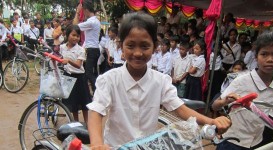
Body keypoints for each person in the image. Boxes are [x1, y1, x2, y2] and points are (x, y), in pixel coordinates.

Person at [86, 12, 231, 149]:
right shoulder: (109, 80)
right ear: (121, 46)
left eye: (144, 46)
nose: (137, 53)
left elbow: (180, 109)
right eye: (130, 45)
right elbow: (96, 111)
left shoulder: (160, 81)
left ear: (155, 47)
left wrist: (211, 121)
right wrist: (97, 144)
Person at [212, 30, 273, 150]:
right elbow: (215, 106)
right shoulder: (241, 81)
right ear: (256, 56)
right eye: (264, 54)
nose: (270, 59)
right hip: (232, 140)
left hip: (256, 141)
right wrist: (224, 101)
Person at [60, 25, 92, 123]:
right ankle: (76, 123)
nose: (75, 38)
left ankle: (87, 123)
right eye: (73, 35)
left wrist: (68, 61)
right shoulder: (62, 47)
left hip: (79, 78)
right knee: (73, 102)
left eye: (77, 36)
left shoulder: (81, 50)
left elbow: (78, 65)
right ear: (67, 35)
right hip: (68, 77)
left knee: (83, 103)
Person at [73, 0, 101, 93]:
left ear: (85, 10)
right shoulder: (94, 21)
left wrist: (77, 12)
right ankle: (90, 93)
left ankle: (97, 93)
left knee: (89, 74)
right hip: (92, 49)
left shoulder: (91, 22)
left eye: (82, 11)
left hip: (91, 50)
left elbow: (74, 27)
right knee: (89, 73)